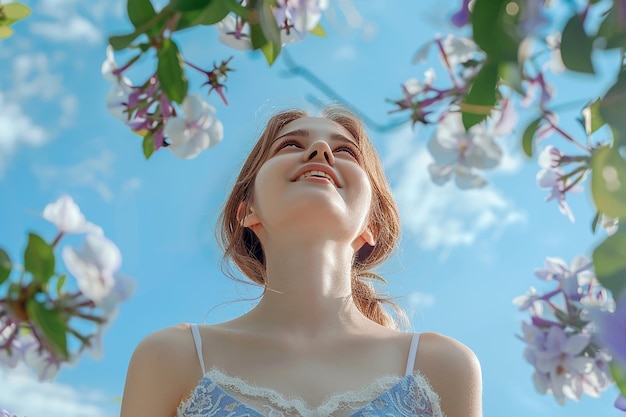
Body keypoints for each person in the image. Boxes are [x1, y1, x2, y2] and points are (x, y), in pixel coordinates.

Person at [120, 107, 483, 417]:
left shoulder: (442, 365)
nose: (322, 150)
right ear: (247, 210)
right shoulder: (171, 356)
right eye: (291, 144)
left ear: (371, 225)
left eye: (346, 152)